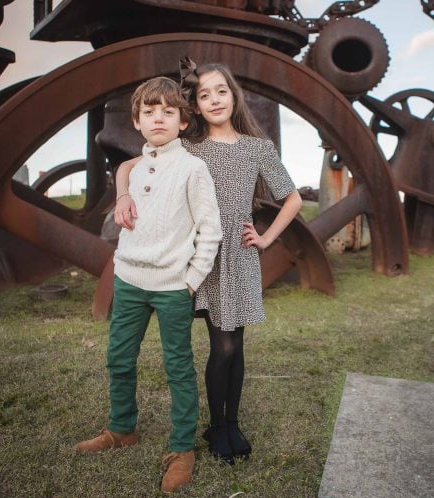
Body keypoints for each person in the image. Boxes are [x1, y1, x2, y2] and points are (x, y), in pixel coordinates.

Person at [115, 60, 302, 465]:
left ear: (234, 96)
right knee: (222, 345)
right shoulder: (188, 148)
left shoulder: (258, 148)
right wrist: (122, 195)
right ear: (195, 107)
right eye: (204, 94)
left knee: (236, 346)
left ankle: (230, 423)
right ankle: (217, 427)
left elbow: (293, 197)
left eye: (221, 91)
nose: (214, 99)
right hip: (200, 255)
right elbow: (131, 165)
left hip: (239, 255)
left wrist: (267, 238)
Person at [74, 76, 222, 494]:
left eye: (168, 112)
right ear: (137, 122)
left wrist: (191, 281)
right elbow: (124, 169)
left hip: (174, 286)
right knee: (119, 358)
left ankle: (182, 449)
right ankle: (122, 429)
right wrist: (121, 195)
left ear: (183, 121)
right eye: (149, 111)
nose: (159, 118)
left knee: (178, 369)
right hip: (130, 280)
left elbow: (211, 230)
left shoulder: (194, 168)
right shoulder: (132, 168)